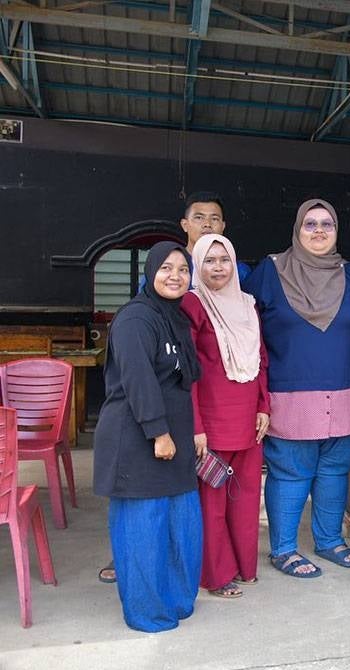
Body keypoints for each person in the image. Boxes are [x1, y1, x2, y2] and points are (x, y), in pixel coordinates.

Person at [243, 199, 350, 579]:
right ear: (297, 230)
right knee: (291, 471)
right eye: (309, 224)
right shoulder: (271, 271)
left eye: (326, 224)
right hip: (289, 395)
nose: (318, 231)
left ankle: (329, 540)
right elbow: (244, 325)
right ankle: (283, 549)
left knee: (333, 471)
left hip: (347, 393)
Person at [92, 241, 203, 632]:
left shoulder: (175, 317)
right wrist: (159, 432)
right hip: (139, 438)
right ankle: (147, 612)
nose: (175, 276)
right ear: (150, 271)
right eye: (166, 268)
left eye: (183, 269)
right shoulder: (135, 318)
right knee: (144, 529)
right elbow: (138, 379)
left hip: (174, 438)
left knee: (179, 525)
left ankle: (176, 601)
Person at [181, 234, 270, 599]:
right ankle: (216, 576)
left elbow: (261, 359)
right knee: (212, 502)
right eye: (209, 260)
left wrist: (264, 406)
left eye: (224, 260)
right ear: (197, 265)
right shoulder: (192, 304)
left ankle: (245, 567)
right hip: (212, 423)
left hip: (248, 420)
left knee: (245, 499)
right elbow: (187, 372)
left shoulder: (247, 304)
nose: (218, 268)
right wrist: (196, 426)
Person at [136, 192, 251, 294]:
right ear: (185, 225)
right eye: (199, 218)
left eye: (214, 219)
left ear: (223, 226)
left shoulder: (239, 270)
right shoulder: (165, 266)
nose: (207, 224)